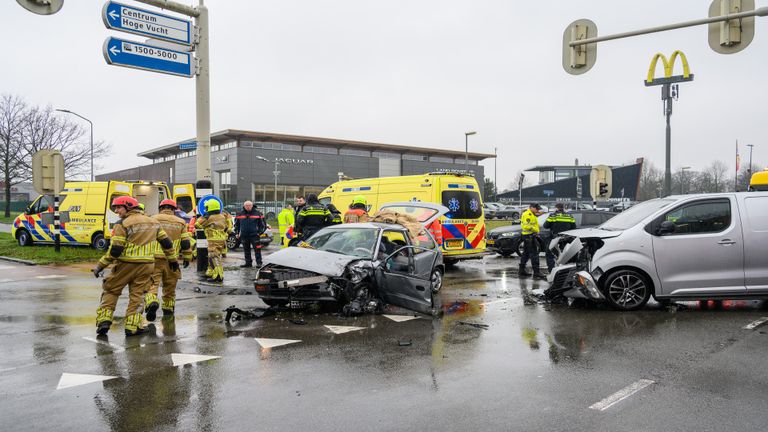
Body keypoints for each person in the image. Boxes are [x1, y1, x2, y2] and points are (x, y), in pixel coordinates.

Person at [92, 196, 178, 336]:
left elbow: (115, 250)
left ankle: (104, 321)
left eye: (118, 207)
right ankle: (132, 327)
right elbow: (166, 243)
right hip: (147, 266)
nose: (116, 211)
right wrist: (173, 260)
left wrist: (100, 266)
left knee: (111, 290)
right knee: (138, 295)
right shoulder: (153, 222)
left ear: (128, 207)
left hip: (126, 265)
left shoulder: (123, 224)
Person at [145, 199, 193, 321]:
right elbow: (186, 242)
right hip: (172, 260)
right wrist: (187, 257)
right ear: (174, 209)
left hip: (153, 258)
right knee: (170, 286)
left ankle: (152, 302)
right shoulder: (181, 222)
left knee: (152, 283)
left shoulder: (153, 219)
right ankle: (168, 310)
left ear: (161, 208)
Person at [195, 199, 230, 282]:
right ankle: (210, 272)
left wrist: (204, 216)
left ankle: (218, 276)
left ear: (210, 207)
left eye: (207, 207)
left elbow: (197, 225)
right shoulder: (222, 216)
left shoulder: (209, 217)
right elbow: (227, 226)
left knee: (214, 257)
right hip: (221, 239)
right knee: (211, 256)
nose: (206, 209)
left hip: (213, 239)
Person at [543, 203, 577, 272]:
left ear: (556, 208)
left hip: (554, 238)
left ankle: (551, 271)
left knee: (550, 254)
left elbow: (545, 226)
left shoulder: (553, 215)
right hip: (566, 239)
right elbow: (574, 227)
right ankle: (563, 271)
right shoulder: (569, 216)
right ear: (563, 208)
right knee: (565, 255)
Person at [234, 201, 266, 268]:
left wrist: (259, 233)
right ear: (244, 206)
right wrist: (237, 233)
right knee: (246, 249)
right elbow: (236, 225)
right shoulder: (240, 214)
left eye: (249, 205)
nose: (248, 207)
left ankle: (259, 263)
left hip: (255, 235)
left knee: (257, 250)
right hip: (244, 235)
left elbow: (263, 225)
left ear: (252, 206)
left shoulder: (258, 213)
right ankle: (248, 263)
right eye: (246, 205)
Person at [519, 203, 545, 279]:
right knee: (534, 254)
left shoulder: (532, 214)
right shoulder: (528, 214)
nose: (538, 210)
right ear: (531, 207)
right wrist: (535, 230)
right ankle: (537, 272)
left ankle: (522, 270)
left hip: (529, 235)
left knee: (526, 253)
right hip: (529, 236)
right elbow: (525, 226)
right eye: (536, 209)